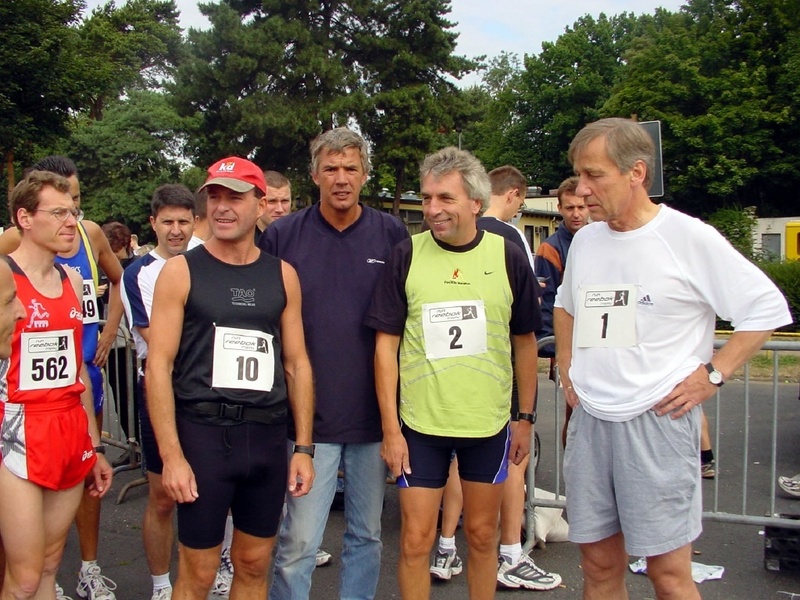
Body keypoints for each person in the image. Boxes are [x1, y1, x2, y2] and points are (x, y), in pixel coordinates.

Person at [554, 117, 792, 599]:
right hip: (593, 421)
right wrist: (566, 368)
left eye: (594, 175)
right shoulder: (587, 240)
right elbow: (566, 304)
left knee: (667, 574)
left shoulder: (687, 237)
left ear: (636, 173)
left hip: (657, 423)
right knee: (598, 567)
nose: (582, 190)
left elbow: (765, 308)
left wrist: (714, 374)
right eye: (579, 174)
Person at [365, 147, 541, 600]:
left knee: (483, 538)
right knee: (414, 542)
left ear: (476, 203)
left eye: (445, 198)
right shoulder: (406, 255)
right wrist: (391, 430)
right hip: (421, 427)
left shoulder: (507, 257)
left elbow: (524, 341)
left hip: (487, 425)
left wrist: (525, 418)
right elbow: (385, 347)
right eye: (426, 198)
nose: (432, 209)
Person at [145, 157, 315, 600]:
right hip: (203, 437)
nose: (221, 206)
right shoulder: (181, 272)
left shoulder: (283, 275)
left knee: (255, 564)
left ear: (260, 205)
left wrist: (303, 448)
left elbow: (296, 364)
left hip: (264, 437)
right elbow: (158, 367)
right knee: (199, 573)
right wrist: (172, 456)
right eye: (214, 196)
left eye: (234, 197)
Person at [262, 128, 409, 600]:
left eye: (350, 168)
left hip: (372, 417)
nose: (340, 178)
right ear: (314, 175)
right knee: (299, 542)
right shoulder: (283, 235)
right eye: (331, 168)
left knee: (366, 536)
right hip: (307, 420)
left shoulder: (391, 233)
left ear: (365, 174)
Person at [0, 155, 124, 600]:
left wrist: (94, 446)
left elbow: (77, 371)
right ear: (25, 218)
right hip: (17, 430)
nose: (71, 221)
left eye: (73, 211)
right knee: (26, 575)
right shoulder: (3, 276)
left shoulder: (72, 280)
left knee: (51, 565)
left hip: (69, 426)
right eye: (58, 213)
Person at [121, 184, 198, 600]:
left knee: (211, 490)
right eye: (167, 222)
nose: (175, 230)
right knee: (163, 495)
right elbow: (157, 339)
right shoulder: (137, 274)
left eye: (183, 221)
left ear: (194, 222)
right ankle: (160, 584)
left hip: (205, 391)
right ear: (153, 224)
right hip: (158, 388)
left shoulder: (210, 260)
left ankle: (208, 570)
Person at [533, 176, 590, 447]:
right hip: (570, 346)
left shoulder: (601, 239)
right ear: (559, 208)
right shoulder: (550, 248)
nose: (576, 213)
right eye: (570, 208)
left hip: (600, 344)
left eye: (581, 207)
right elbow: (547, 300)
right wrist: (552, 346)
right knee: (576, 413)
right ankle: (574, 468)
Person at [254, 171, 292, 243]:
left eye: (284, 201)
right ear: (258, 203)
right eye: (272, 201)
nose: (279, 209)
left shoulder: (302, 238)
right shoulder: (243, 241)